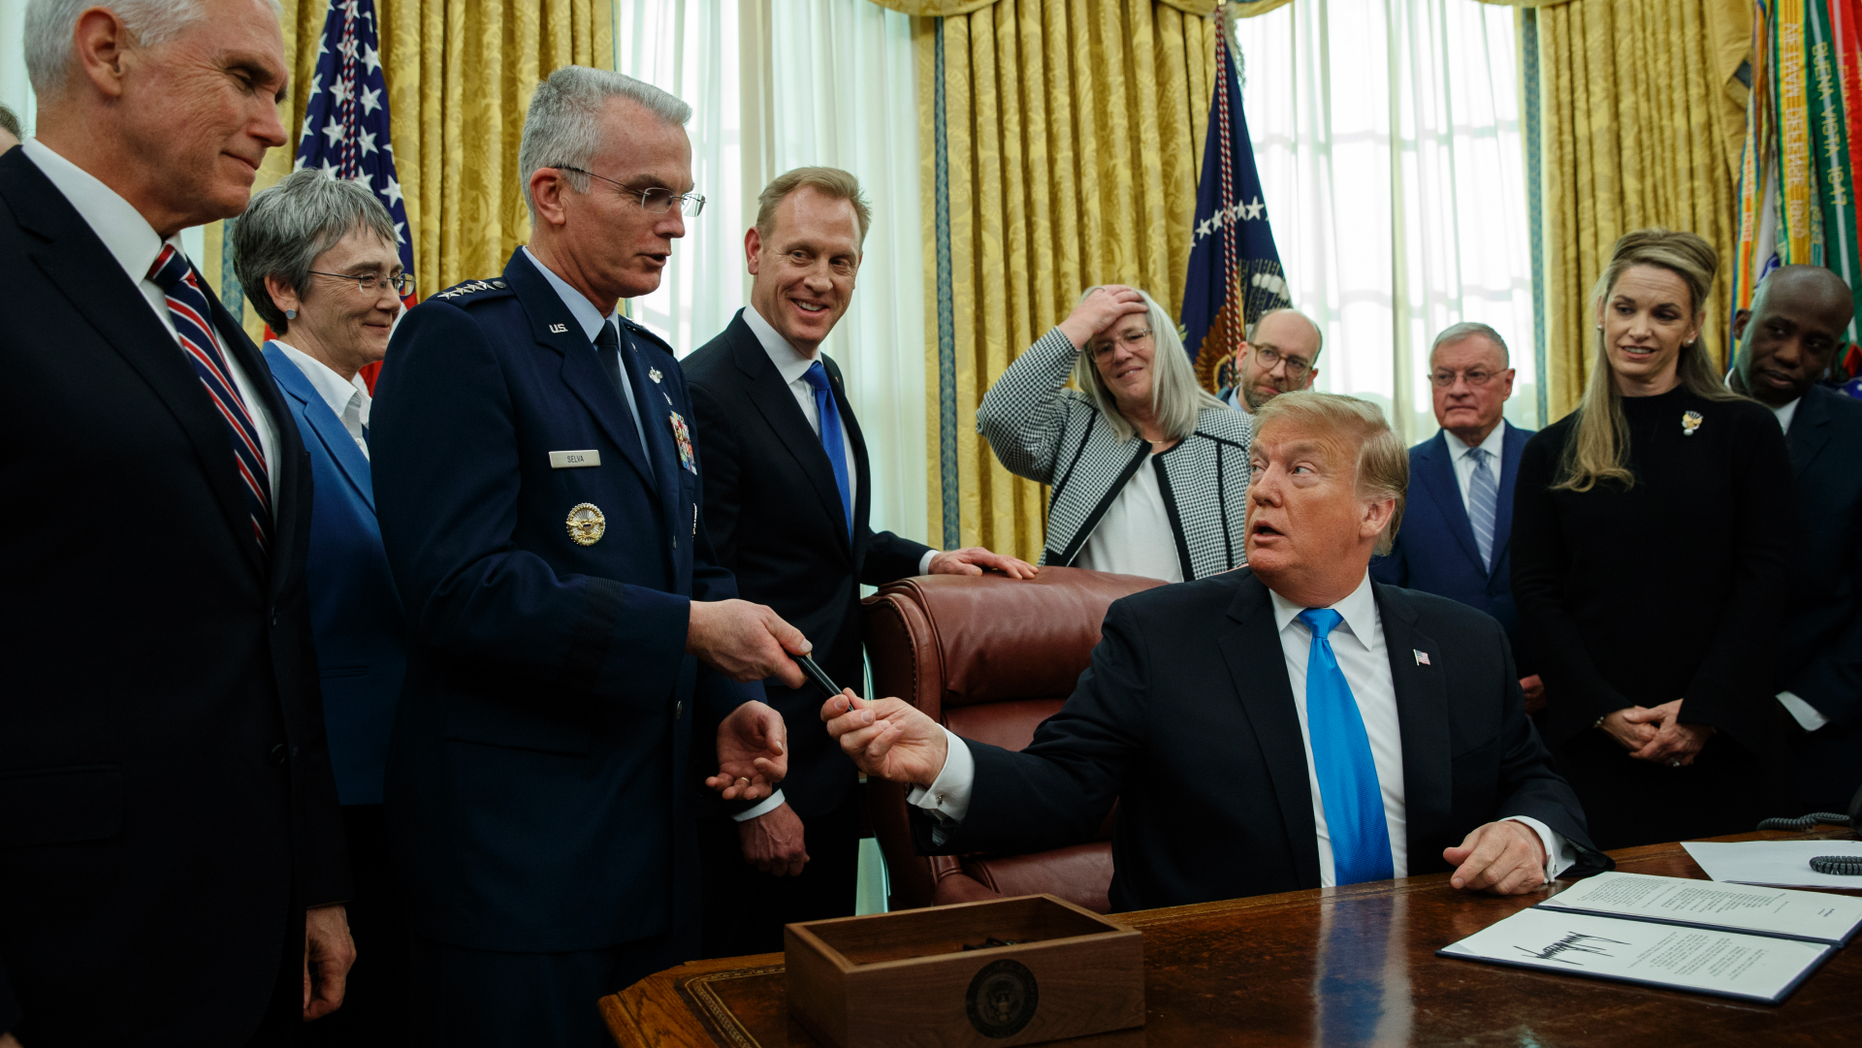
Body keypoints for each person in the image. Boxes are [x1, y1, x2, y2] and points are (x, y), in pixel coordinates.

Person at [370, 67, 805, 1048]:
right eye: (648, 196)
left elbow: (696, 565)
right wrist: (694, 633)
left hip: (654, 846)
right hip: (518, 864)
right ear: (552, 194)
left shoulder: (652, 365)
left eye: (680, 198)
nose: (676, 226)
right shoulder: (461, 341)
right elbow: (458, 589)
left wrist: (739, 697)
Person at [827, 392, 1608, 911]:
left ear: (1375, 512)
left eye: (1299, 470)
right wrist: (945, 759)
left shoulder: (1464, 641)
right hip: (1229, 979)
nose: (1262, 489)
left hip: (1439, 969)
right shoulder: (1160, 634)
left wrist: (1531, 834)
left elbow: (1534, 778)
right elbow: (1063, 787)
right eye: (1258, 465)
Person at [0, 1, 354, 1045]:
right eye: (245, 79)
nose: (275, 126)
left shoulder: (188, 298)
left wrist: (315, 877)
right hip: (66, 954)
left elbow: (270, 623)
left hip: (244, 932)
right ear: (106, 51)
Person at [681, 168, 1034, 956]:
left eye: (842, 261)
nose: (821, 279)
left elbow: (830, 538)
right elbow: (705, 587)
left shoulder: (821, 377)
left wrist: (934, 558)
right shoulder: (703, 390)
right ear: (753, 250)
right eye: (801, 254)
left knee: (829, 990)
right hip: (760, 758)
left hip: (838, 751)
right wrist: (753, 802)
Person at [1512, 228, 1794, 851]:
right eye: (1626, 308)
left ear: (1692, 327)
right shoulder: (1549, 449)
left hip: (1720, 741)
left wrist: (1703, 711)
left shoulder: (1744, 431)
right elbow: (1537, 592)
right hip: (1596, 748)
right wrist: (1600, 710)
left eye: (1664, 314)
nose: (1640, 329)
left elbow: (1766, 578)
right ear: (1600, 313)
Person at [234, 168, 412, 1045]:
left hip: (398, 792)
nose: (393, 297)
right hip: (327, 807)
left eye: (395, 274)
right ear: (282, 289)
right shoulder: (263, 408)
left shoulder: (369, 409)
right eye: (367, 277)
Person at [976, 285, 1254, 581]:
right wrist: (1078, 325)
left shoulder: (1238, 435)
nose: (1121, 354)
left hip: (1197, 623)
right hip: (1087, 623)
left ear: (1164, 342)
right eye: (1103, 348)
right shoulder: (1075, 422)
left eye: (1134, 337)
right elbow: (999, 416)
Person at [1728, 265, 1862, 814]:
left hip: (1811, 742)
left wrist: (1797, 708)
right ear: (1741, 324)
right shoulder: (1665, 417)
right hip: (1665, 737)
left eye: (1816, 344)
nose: (1790, 355)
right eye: (1777, 331)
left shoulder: (1856, 439)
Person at [1372, 322, 1542, 711]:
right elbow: (1384, 590)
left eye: (1476, 375)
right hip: (1438, 693)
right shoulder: (1398, 474)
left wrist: (1557, 673)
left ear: (1508, 382)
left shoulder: (1548, 457)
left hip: (1546, 691)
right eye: (1444, 377)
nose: (1458, 389)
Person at [1217, 307, 1323, 412]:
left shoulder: (1321, 429)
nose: (1278, 373)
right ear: (1243, 356)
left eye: (1296, 363)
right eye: (1268, 353)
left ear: (1309, 379)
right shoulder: (1201, 422)